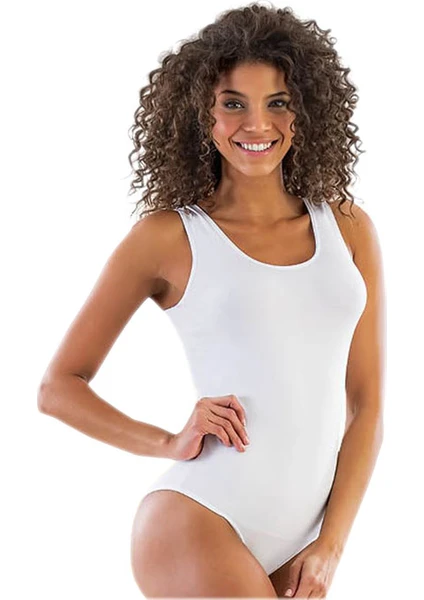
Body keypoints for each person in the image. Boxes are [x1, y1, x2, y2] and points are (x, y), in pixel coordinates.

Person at [38, 3, 386, 598]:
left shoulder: (348, 227)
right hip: (200, 520)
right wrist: (168, 442)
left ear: (306, 108)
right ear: (201, 112)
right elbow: (58, 387)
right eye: (233, 103)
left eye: (278, 101)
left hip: (303, 538)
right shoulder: (169, 237)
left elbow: (367, 405)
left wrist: (331, 543)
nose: (258, 124)